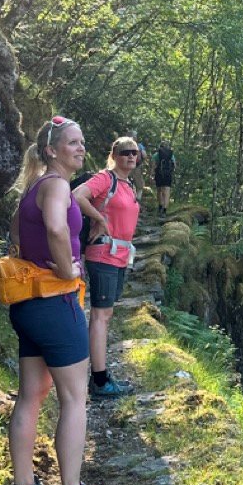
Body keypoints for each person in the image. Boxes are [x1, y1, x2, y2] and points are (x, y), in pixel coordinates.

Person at [4, 116, 101, 485]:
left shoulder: (34, 187)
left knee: (31, 395)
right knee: (75, 398)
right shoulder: (58, 186)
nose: (80, 148)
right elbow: (58, 230)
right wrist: (67, 270)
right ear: (51, 149)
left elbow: (15, 235)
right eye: (73, 143)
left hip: (27, 303)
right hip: (55, 304)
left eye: (82, 142)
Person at [72, 135, 142, 402]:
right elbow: (78, 196)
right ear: (114, 154)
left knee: (107, 314)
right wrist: (99, 218)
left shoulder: (128, 184)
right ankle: (99, 380)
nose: (131, 157)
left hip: (120, 255)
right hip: (103, 252)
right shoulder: (106, 178)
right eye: (125, 152)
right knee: (101, 315)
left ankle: (101, 375)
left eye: (135, 152)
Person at [152, 141, 175, 217]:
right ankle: (165, 210)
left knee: (159, 190)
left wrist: (152, 174)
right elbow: (175, 165)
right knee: (167, 191)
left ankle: (160, 206)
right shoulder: (171, 155)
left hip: (159, 174)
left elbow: (154, 166)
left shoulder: (156, 155)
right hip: (168, 174)